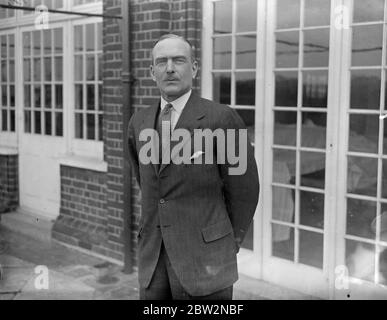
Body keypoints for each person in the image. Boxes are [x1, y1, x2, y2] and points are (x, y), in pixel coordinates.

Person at [127, 34, 259, 300]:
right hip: (153, 260)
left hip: (206, 261)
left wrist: (225, 241)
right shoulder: (139, 122)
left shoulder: (221, 119)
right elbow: (150, 182)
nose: (170, 68)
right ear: (152, 72)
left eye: (179, 60)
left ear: (195, 68)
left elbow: (244, 189)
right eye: (161, 62)